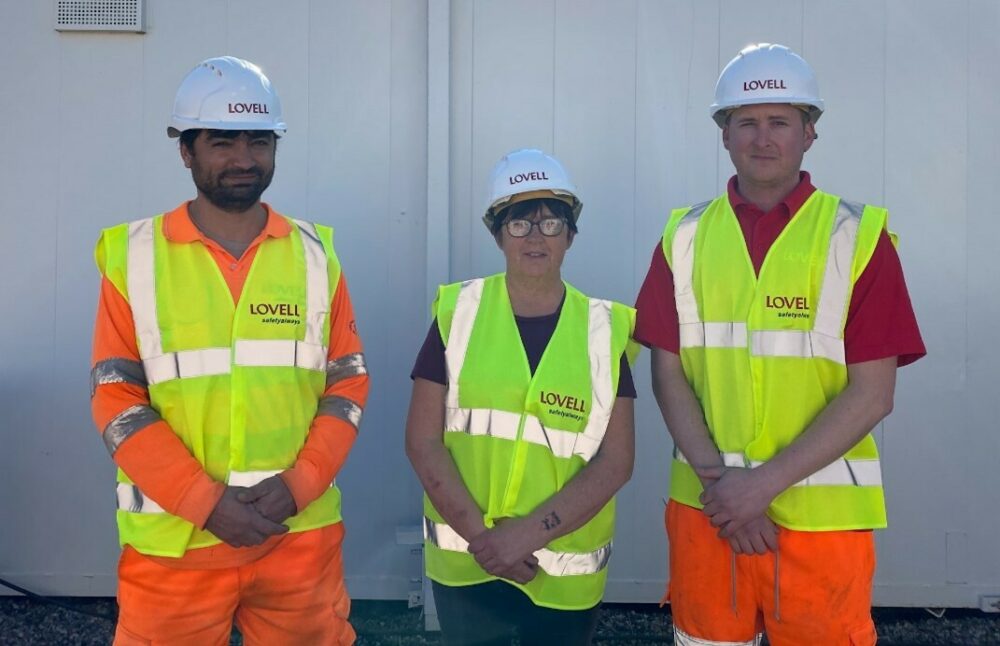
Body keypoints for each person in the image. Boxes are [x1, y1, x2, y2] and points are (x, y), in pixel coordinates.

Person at [634, 44, 925, 645]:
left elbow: (873, 395)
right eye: (746, 121)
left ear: (810, 132)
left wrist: (757, 489)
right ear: (724, 134)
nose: (762, 138)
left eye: (779, 122)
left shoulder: (859, 238)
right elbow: (668, 375)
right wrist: (726, 492)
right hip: (710, 518)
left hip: (819, 530)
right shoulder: (682, 238)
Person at [90, 56, 367, 645]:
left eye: (259, 140)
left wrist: (298, 486)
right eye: (222, 141)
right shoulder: (133, 257)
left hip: (297, 539)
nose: (244, 158)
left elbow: (346, 387)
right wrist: (206, 503)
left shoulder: (317, 255)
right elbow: (117, 402)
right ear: (185, 150)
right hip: (176, 545)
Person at [406, 149, 638, 645]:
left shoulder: (603, 330)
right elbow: (423, 441)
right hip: (470, 562)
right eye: (519, 223)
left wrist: (524, 537)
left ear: (570, 236)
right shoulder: (457, 312)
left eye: (552, 222)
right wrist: (487, 541)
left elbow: (616, 461)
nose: (536, 236)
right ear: (497, 234)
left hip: (563, 572)